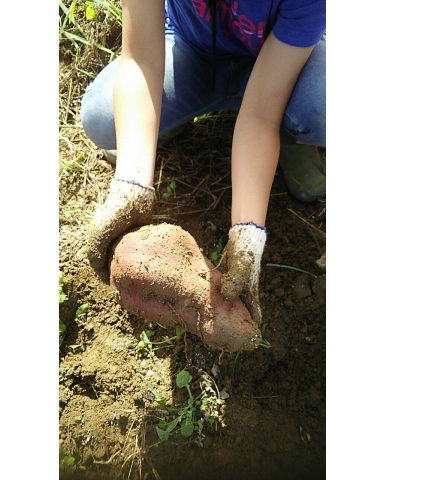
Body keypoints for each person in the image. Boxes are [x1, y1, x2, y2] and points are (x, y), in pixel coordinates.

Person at [80, 0, 326, 324]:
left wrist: (247, 234)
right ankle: (163, 121)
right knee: (104, 118)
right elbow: (140, 58)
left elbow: (260, 115)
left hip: (274, 67)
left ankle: (290, 137)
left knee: (324, 106)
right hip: (189, 51)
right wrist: (130, 183)